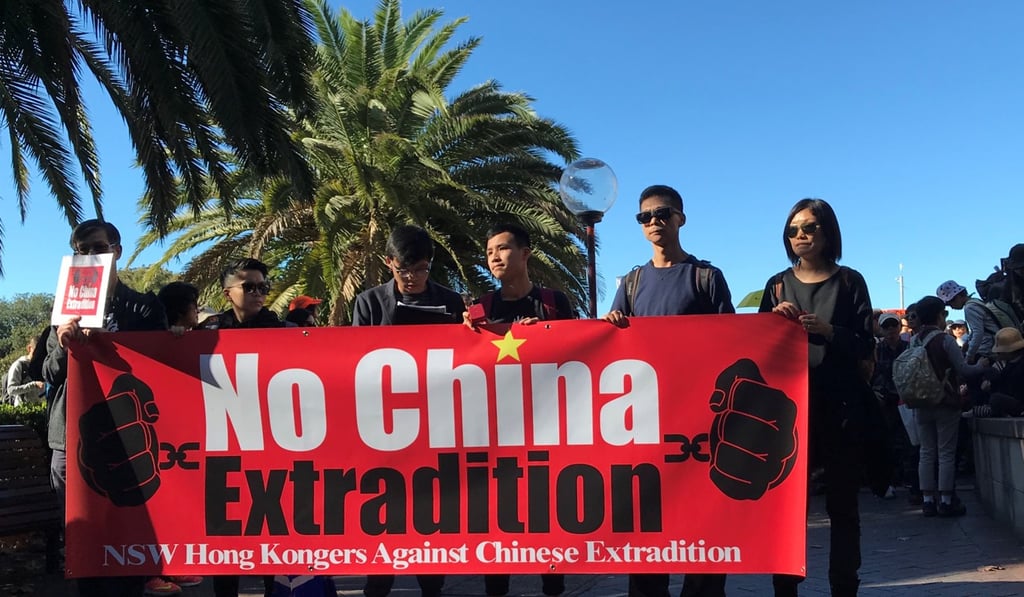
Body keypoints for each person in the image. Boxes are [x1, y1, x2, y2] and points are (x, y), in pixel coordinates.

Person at [602, 185, 734, 597]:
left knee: (703, 523)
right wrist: (610, 326)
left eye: (663, 213)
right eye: (645, 217)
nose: (654, 222)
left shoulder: (707, 277)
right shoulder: (632, 282)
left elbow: (732, 342)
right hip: (645, 423)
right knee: (647, 525)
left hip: (699, 423)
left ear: (681, 218)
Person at [44, 219, 168, 597]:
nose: (89, 256)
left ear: (117, 251)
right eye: (80, 250)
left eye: (97, 248)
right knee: (82, 531)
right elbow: (48, 370)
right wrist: (68, 343)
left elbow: (158, 366)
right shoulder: (64, 308)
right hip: (70, 438)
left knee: (128, 526)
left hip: (129, 435)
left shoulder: (145, 307)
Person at [758, 199, 875, 597]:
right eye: (792, 230)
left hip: (840, 410)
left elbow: (865, 345)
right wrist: (774, 322)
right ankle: (784, 589)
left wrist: (828, 330)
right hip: (788, 414)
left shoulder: (850, 281)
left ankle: (845, 588)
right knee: (787, 511)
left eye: (808, 228)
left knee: (843, 510)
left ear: (828, 233)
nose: (800, 236)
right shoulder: (776, 285)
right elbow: (757, 349)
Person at [465, 222, 573, 597]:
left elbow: (580, 354)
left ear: (526, 254)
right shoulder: (481, 307)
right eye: (489, 251)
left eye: (503, 249)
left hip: (549, 430)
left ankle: (553, 585)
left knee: (548, 521)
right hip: (497, 436)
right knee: (500, 520)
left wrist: (544, 335)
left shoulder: (554, 303)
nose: (494, 257)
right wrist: (468, 333)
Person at [353, 224, 459, 597]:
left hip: (435, 428)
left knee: (430, 514)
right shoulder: (368, 303)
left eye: (421, 269)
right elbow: (353, 365)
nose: (413, 278)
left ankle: (433, 584)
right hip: (382, 429)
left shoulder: (451, 301)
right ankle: (376, 582)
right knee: (383, 513)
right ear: (389, 263)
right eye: (404, 270)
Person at [908, 296, 991, 518]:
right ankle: (945, 500)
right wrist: (981, 366)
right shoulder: (944, 341)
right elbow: (963, 369)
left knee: (926, 452)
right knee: (945, 452)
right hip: (945, 402)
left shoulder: (915, 341)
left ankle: (927, 500)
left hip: (920, 402)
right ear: (939, 315)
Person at [871, 313, 917, 503]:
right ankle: (888, 481)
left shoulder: (909, 348)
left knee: (911, 443)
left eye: (893, 326)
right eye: (886, 327)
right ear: (881, 329)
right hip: (884, 400)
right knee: (886, 442)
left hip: (906, 399)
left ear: (899, 327)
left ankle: (914, 484)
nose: (890, 330)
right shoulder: (876, 349)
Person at [200, 258, 285, 330]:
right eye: (249, 287)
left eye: (262, 287)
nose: (258, 293)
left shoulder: (286, 330)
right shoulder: (209, 331)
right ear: (227, 294)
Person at [984, 327, 1024, 416]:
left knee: (996, 399)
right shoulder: (1010, 364)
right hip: (1012, 398)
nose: (998, 355)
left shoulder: (1019, 366)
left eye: (1000, 352)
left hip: (1019, 403)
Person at [5, 337, 44, 406]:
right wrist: (33, 385)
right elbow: (11, 390)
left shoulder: (44, 365)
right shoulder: (19, 365)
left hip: (41, 410)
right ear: (29, 348)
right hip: (23, 411)